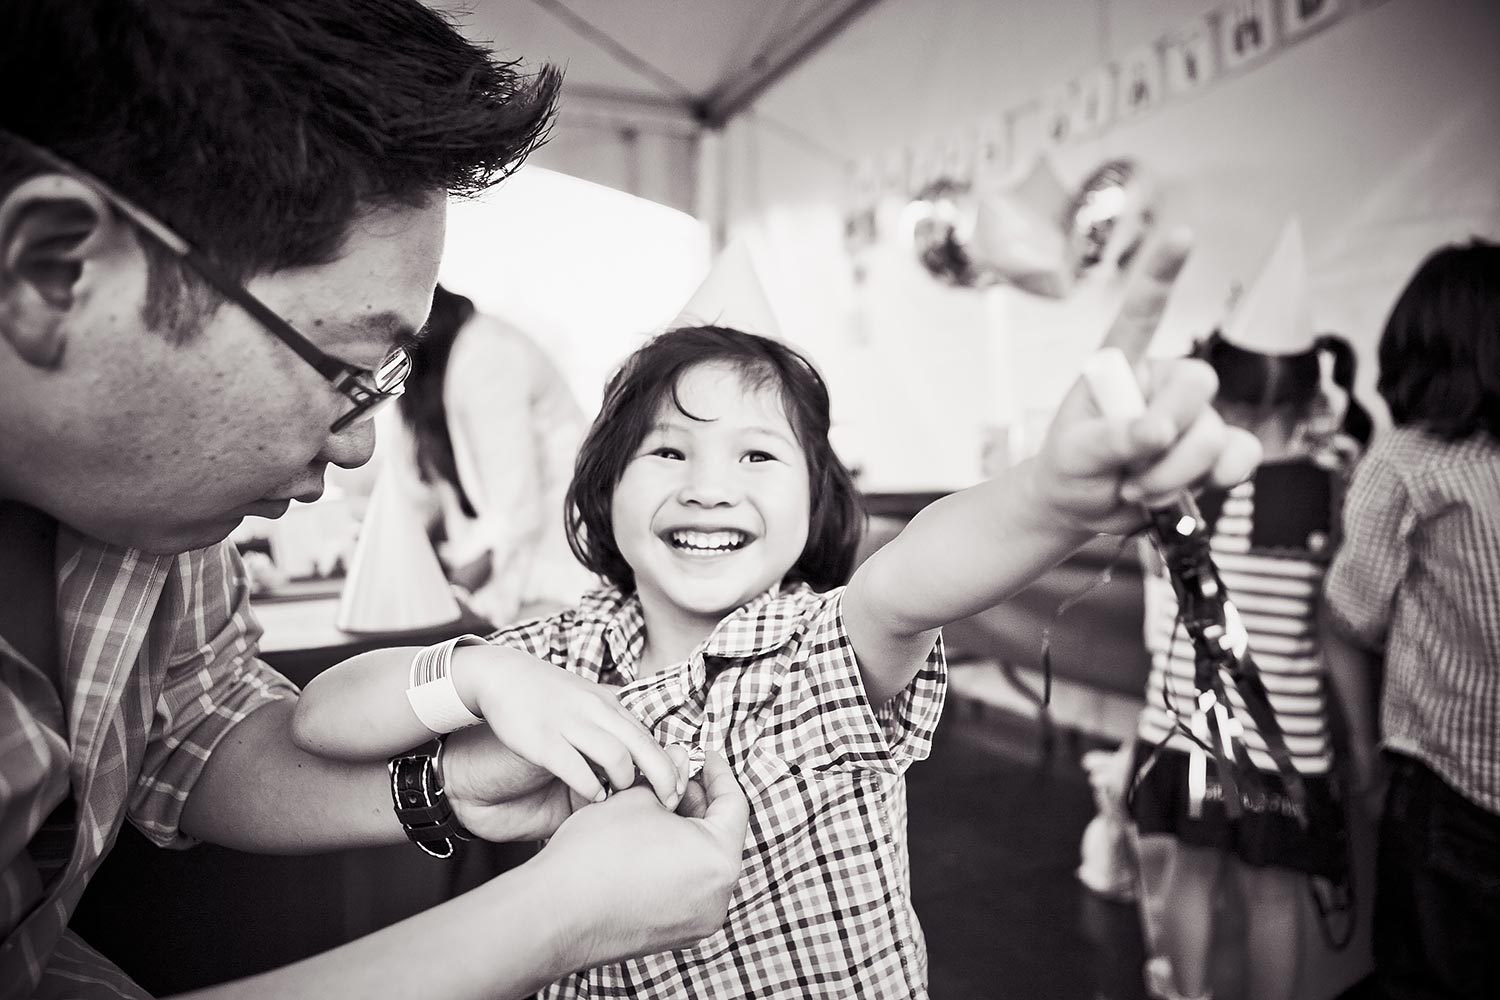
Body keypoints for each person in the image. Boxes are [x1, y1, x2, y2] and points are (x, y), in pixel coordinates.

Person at [0, 3, 748, 999]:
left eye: (386, 384)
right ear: (53, 272)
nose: (356, 447)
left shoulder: (150, 522)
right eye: (347, 368)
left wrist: (454, 782)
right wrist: (550, 918)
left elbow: (197, 727)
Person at [293, 278, 1261, 998]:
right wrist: (473, 670)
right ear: (603, 490)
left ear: (814, 501)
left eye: (758, 455)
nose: (710, 484)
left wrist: (1047, 499)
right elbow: (321, 718)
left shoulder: (820, 650)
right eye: (667, 451)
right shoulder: (565, 652)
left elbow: (912, 577)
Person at [1124, 222, 1375, 1000]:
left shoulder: (1180, 480)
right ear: (1310, 393)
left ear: (1216, 382)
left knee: (1190, 878)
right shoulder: (1334, 487)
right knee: (1276, 896)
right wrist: (1361, 743)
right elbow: (1335, 633)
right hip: (1287, 740)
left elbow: (1154, 581)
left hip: (1185, 728)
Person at [1323, 239, 1500, 1000]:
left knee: (1427, 974)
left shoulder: (1405, 460)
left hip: (1452, 781)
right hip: (1460, 782)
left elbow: (1347, 617)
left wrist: (1366, 762)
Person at [391, 284, 596, 628]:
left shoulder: (488, 354)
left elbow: (514, 510)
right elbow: (422, 500)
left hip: (559, 574)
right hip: (519, 579)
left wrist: (452, 592)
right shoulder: (432, 376)